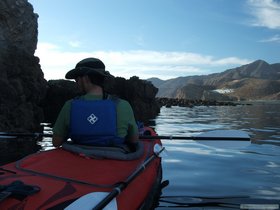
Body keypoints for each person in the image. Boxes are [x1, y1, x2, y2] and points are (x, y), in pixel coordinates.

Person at [52, 57, 139, 148]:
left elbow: (56, 142)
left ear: (85, 78)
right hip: (115, 156)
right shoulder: (123, 105)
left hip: (78, 158)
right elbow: (134, 140)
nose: (76, 82)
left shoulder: (69, 105)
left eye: (77, 79)